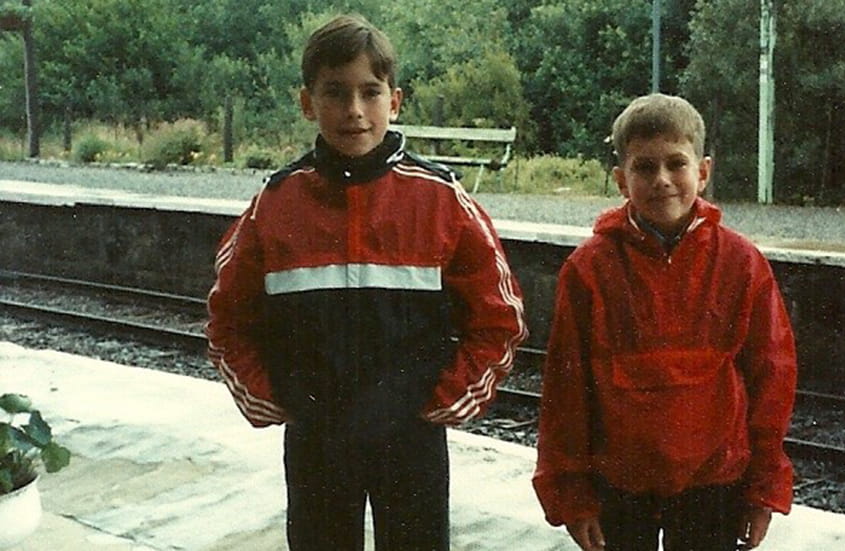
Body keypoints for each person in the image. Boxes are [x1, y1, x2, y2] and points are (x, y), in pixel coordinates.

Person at [205, 14, 527, 551]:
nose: (354, 111)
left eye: (369, 93)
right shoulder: (275, 203)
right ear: (308, 102)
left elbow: (500, 316)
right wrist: (264, 394)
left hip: (411, 437)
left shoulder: (441, 199)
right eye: (335, 93)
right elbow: (227, 318)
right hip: (316, 441)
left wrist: (449, 398)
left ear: (394, 101)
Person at [532, 93, 797, 551]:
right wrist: (572, 495)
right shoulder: (589, 269)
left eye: (677, 164)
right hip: (617, 484)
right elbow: (565, 391)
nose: (662, 180)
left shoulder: (741, 263)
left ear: (704, 171)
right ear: (620, 179)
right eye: (644, 167)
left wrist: (764, 490)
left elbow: (772, 378)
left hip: (715, 482)